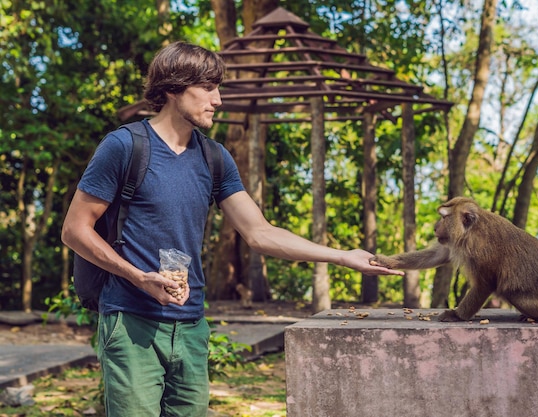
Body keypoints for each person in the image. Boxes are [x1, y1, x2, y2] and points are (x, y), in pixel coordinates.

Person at [61, 41, 403, 417]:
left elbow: (260, 232)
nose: (218, 99)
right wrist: (139, 277)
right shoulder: (125, 146)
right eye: (207, 88)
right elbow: (76, 230)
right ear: (174, 89)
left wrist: (342, 256)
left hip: (191, 327)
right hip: (131, 322)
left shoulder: (214, 157)